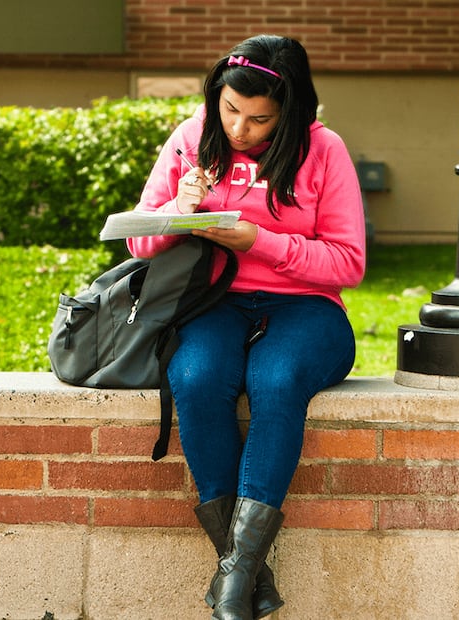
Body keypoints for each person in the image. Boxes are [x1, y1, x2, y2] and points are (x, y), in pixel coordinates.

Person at [127, 35, 366, 620]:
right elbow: (139, 240)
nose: (239, 128)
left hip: (306, 307)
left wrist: (261, 241)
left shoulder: (323, 150)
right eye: (230, 110)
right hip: (214, 300)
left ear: (289, 111)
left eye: (260, 119)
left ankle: (231, 584)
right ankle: (243, 577)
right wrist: (178, 213)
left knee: (277, 381)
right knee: (198, 376)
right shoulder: (192, 137)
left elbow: (348, 262)